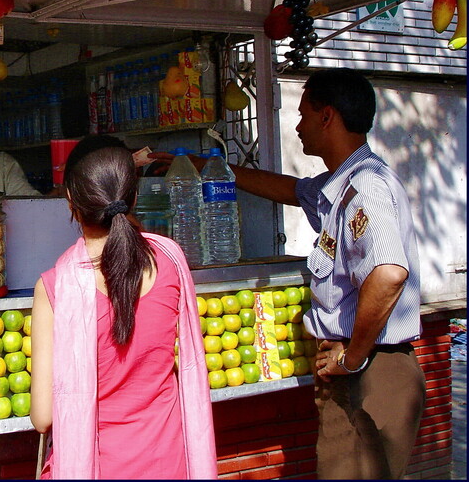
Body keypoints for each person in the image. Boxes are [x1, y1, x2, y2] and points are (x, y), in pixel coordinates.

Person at [152, 68, 424, 479]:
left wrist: (353, 358)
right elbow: (287, 189)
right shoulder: (339, 185)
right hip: (359, 365)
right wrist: (202, 166)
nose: (297, 126)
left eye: (303, 115)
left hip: (371, 367)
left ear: (327, 117)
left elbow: (388, 275)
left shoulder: (364, 187)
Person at [30, 137, 217, 479]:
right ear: (134, 196)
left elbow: (43, 417)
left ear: (70, 199)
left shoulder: (55, 287)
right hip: (169, 463)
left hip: (98, 466)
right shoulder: (170, 261)